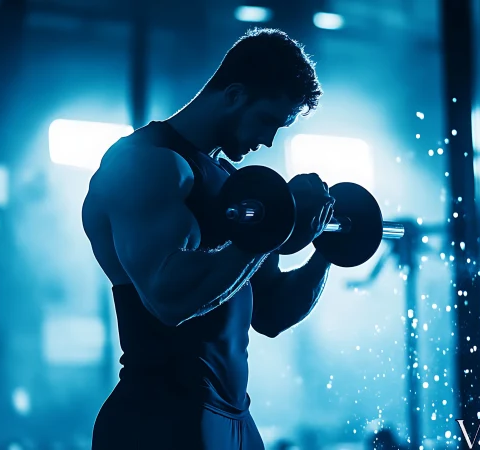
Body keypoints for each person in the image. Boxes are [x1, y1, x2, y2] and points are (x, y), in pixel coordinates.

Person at [83, 28, 334, 449]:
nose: (269, 140)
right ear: (235, 95)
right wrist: (274, 227)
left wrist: (326, 247)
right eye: (268, 121)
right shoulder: (146, 163)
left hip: (233, 418)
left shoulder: (232, 183)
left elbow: (271, 312)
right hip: (160, 418)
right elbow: (167, 300)